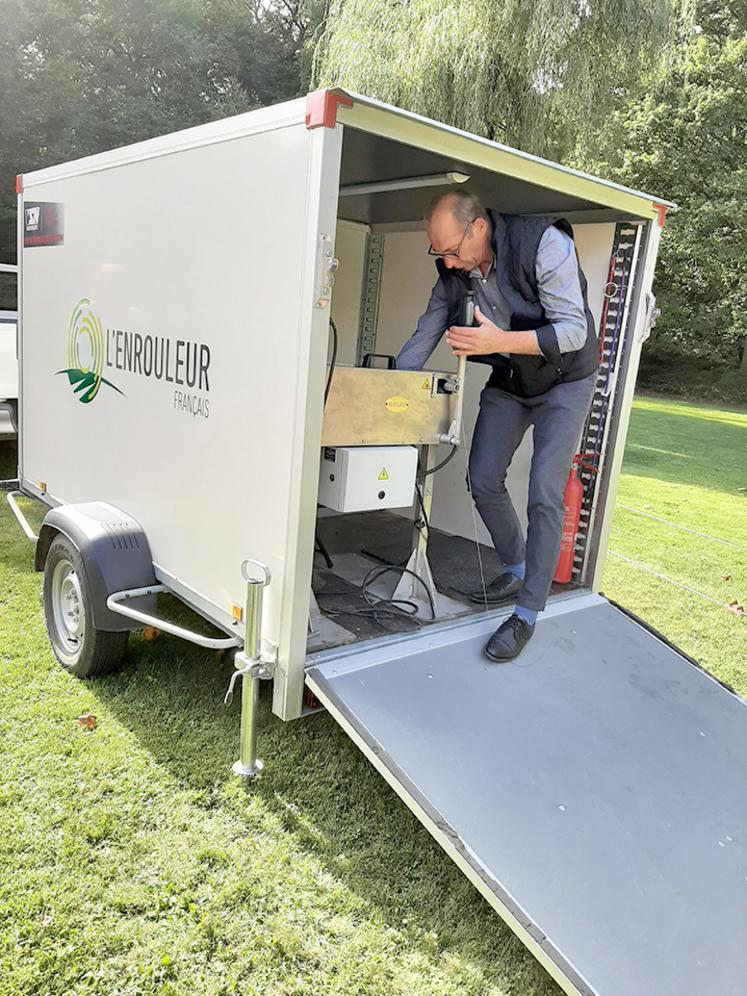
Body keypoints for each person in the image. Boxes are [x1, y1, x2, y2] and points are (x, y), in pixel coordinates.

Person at [396, 190, 599, 661]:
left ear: (479, 228)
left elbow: (573, 331)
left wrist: (498, 339)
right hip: (512, 380)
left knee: (545, 490)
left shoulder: (544, 243)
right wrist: (389, 393)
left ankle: (526, 614)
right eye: (438, 253)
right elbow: (424, 334)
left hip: (566, 380)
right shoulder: (454, 272)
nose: (446, 263)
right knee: (483, 478)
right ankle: (520, 564)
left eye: (451, 250)